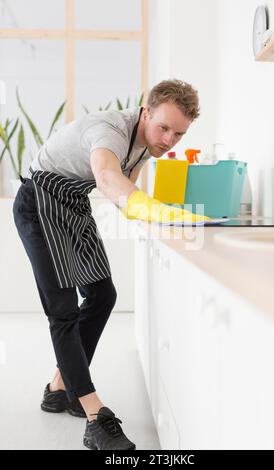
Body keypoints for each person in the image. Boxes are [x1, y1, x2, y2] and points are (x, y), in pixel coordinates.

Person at [12, 78, 208, 451]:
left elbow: (124, 190)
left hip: (72, 204)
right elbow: (106, 177)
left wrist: (163, 222)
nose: (168, 140)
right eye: (164, 128)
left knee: (102, 294)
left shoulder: (148, 143)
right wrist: (156, 211)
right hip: (38, 203)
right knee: (63, 310)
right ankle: (94, 415)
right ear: (145, 112)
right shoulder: (109, 130)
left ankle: (59, 388)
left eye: (179, 134)